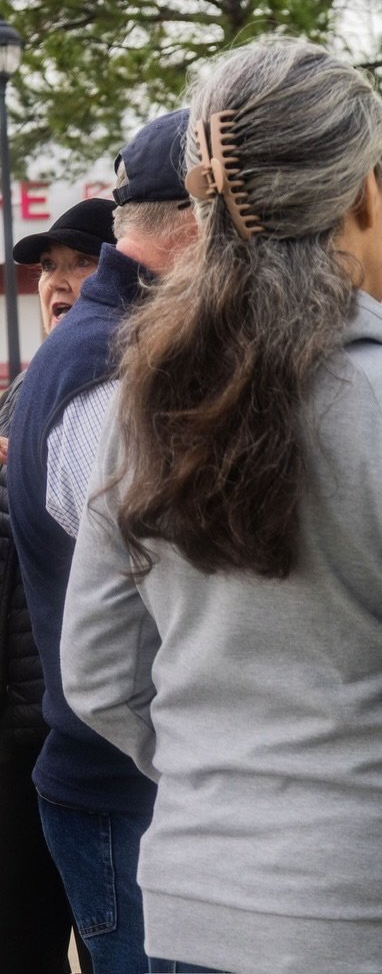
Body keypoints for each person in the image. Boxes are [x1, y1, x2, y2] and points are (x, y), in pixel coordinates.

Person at [59, 35, 382, 974]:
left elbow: (96, 671)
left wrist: (223, 785)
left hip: (192, 901)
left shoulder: (146, 403)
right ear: (364, 193)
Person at [8, 111, 198, 974]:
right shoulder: (114, 371)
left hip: (127, 784)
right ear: (199, 226)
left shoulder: (138, 352)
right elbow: (129, 622)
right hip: (127, 789)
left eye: (75, 262)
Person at [0, 196, 115, 972]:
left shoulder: (130, 390)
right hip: (22, 748)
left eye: (83, 263)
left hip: (97, 743)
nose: (59, 282)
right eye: (51, 268)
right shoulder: (26, 393)